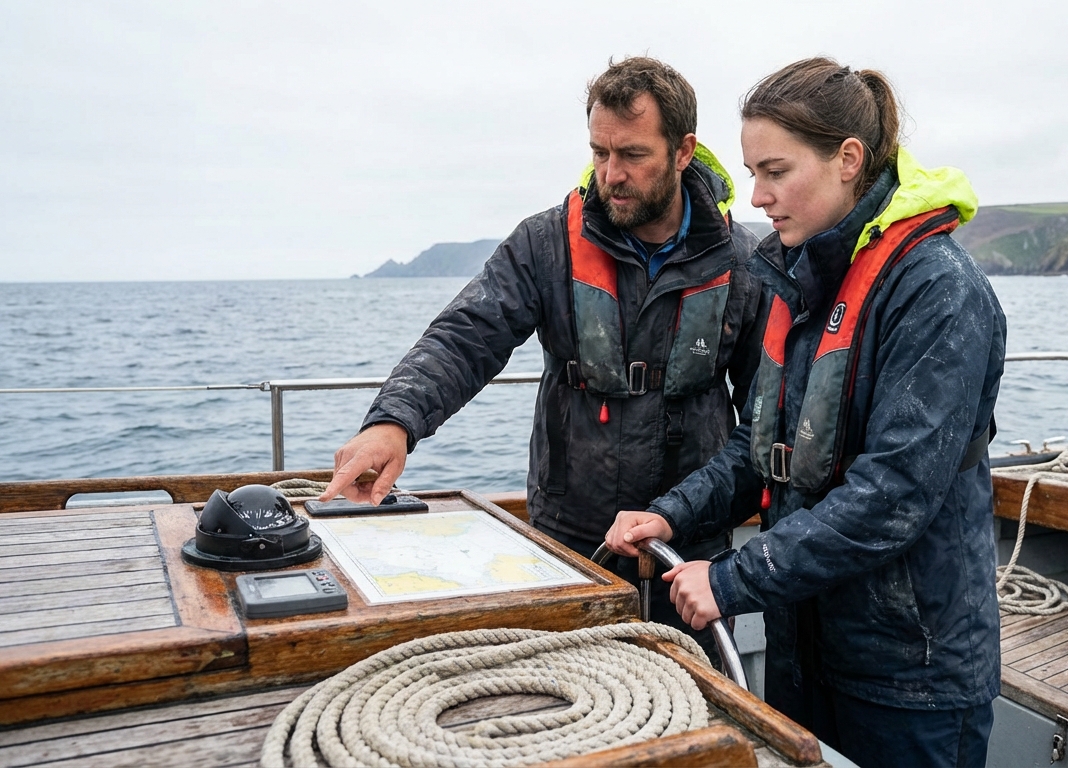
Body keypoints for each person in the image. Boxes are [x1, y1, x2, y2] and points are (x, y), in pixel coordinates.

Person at [605, 58, 1006, 768]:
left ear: (848, 159)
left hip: (909, 673)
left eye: (775, 171)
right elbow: (758, 449)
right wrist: (671, 513)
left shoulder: (940, 293)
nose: (756, 196)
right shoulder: (801, 280)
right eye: (752, 172)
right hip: (804, 649)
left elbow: (894, 495)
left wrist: (729, 580)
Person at [321, 57, 766, 661]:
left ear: (684, 151)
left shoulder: (742, 264)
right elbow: (466, 335)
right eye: (599, 152)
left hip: (685, 547)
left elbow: (766, 423)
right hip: (570, 537)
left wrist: (686, 517)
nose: (612, 174)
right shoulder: (546, 243)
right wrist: (393, 421)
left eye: (633, 154)